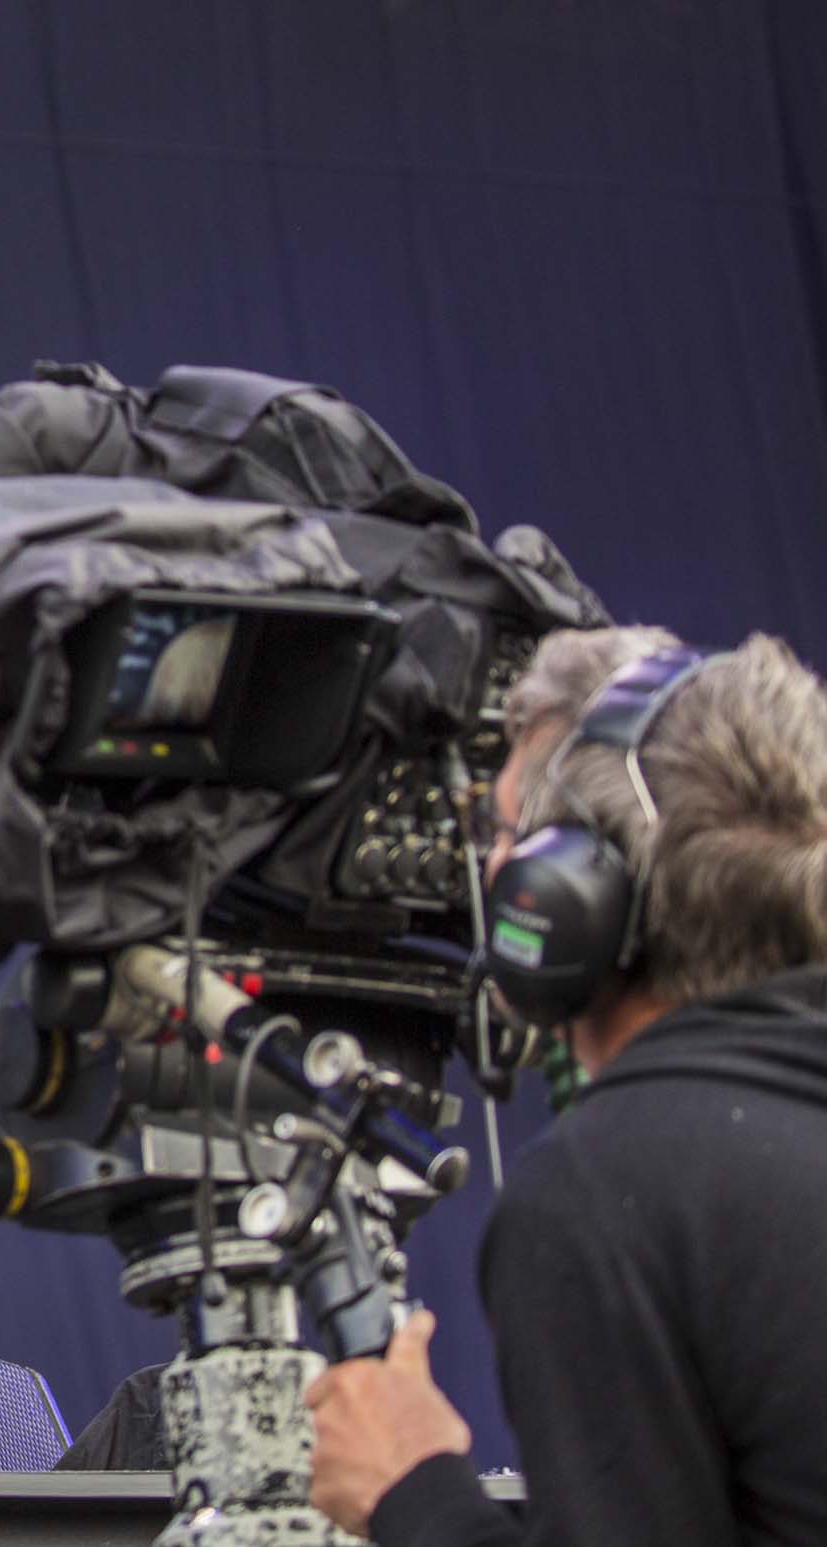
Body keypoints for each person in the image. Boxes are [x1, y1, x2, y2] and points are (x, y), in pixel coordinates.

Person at [304, 626, 827, 1545]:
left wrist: (410, 1487)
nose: (491, 875)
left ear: (572, 893)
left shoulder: (606, 1195)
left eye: (505, 835)